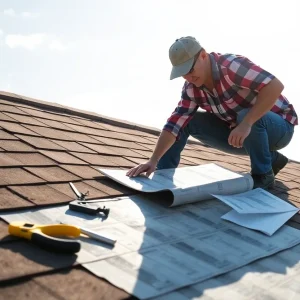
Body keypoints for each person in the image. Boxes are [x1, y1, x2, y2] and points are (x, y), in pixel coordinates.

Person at [127, 36, 298, 189]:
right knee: (188, 120)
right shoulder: (191, 89)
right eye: (183, 73)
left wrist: (247, 122)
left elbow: (275, 86)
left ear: (202, 55)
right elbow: (175, 123)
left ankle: (263, 176)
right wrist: (154, 159)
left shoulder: (231, 65)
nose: (188, 77)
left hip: (279, 128)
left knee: (244, 116)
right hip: (243, 133)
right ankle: (163, 174)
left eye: (190, 70)